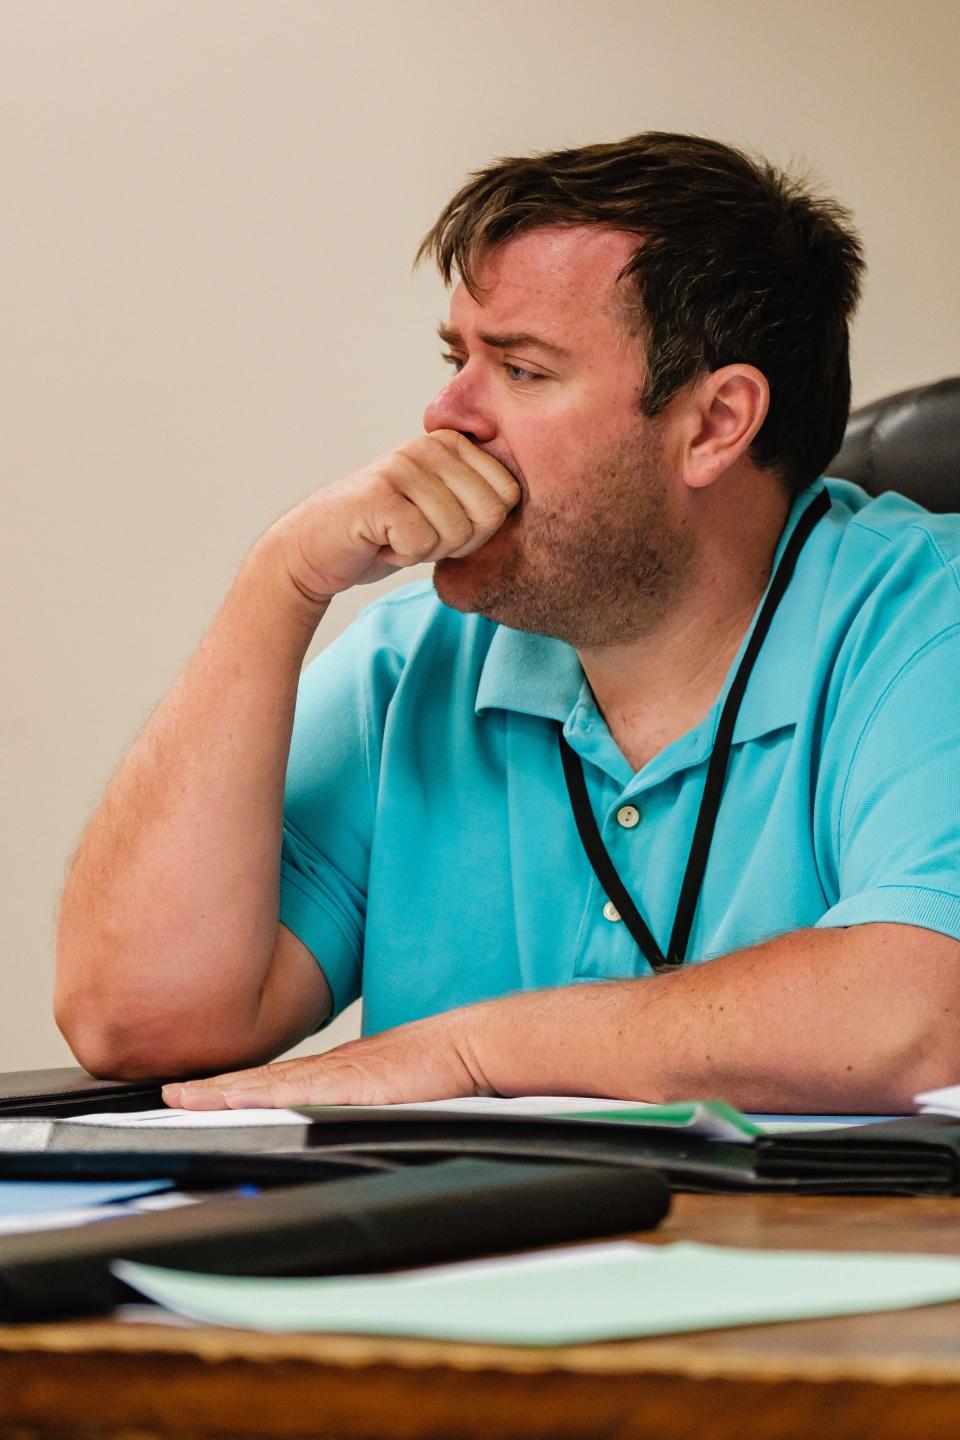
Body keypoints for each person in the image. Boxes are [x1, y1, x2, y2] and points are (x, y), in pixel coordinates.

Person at [55, 132, 960, 1116]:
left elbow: (923, 1012)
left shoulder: (925, 622)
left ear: (714, 424)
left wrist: (468, 1052)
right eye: (457, 359)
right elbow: (134, 1021)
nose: (447, 414)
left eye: (521, 371)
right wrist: (281, 584)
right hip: (461, 1253)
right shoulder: (413, 666)